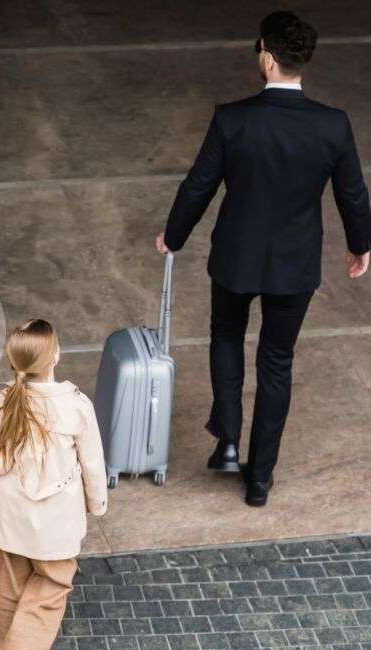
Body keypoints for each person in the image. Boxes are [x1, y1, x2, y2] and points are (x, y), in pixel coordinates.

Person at [156, 11, 371, 507]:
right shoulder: (332, 125)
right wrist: (360, 245)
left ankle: (228, 440)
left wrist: (174, 235)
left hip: (236, 256)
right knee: (276, 361)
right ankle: (260, 479)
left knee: (226, 335)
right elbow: (353, 195)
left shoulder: (232, 119)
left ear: (268, 58)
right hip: (294, 265)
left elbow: (199, 185)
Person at [0, 319, 108, 650]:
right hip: (55, 519)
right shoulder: (76, 405)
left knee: (10, 581)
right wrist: (97, 504)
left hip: (11, 514)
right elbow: (93, 462)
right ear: (56, 356)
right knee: (54, 580)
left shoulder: (4, 400)